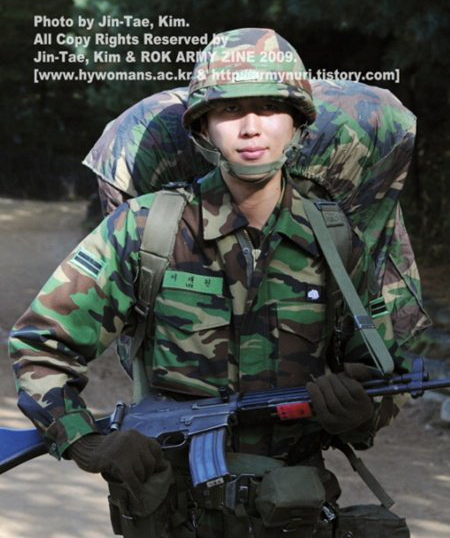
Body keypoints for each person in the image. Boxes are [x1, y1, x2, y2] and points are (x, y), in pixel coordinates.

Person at [9, 28, 412, 537]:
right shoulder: (147, 229)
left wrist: (359, 413)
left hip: (294, 513)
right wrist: (86, 440)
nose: (251, 128)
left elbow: (379, 375)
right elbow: (41, 344)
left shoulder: (335, 241)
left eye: (270, 108)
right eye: (230, 110)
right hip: (173, 515)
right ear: (203, 127)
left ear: (298, 125)